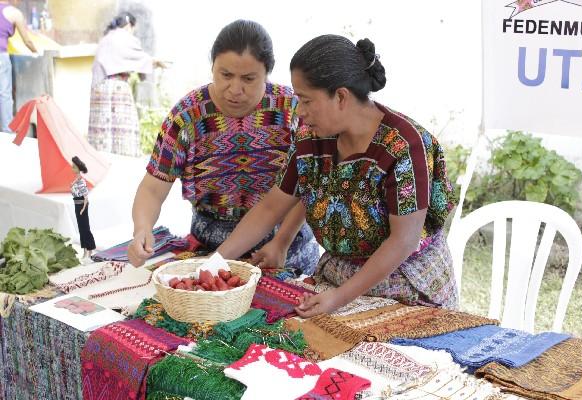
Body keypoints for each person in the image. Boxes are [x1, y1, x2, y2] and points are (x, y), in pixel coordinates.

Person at [217, 34, 458, 317]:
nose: (301, 112)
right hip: (337, 277)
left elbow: (403, 241)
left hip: (407, 285)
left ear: (341, 96)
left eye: (306, 101)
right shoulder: (312, 139)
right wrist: (214, 263)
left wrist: (340, 297)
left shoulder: (404, 146)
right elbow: (272, 206)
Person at [127, 20, 320, 278]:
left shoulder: (295, 112)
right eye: (225, 75)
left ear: (267, 73)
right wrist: (142, 228)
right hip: (209, 250)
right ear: (212, 67)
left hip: (283, 251)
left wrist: (283, 241)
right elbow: (153, 187)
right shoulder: (187, 117)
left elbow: (312, 184)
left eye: (249, 79)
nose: (235, 89)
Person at [88, 12, 164, 157]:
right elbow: (140, 59)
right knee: (122, 128)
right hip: (117, 86)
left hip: (99, 87)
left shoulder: (105, 39)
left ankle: (101, 157)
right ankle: (123, 157)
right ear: (129, 25)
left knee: (102, 127)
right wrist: (155, 62)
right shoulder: (125, 37)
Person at [0, 0, 37, 133]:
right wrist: (36, 52)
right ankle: (6, 132)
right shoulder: (14, 13)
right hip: (1, 57)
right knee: (4, 94)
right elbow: (27, 40)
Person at [71, 156, 96, 260]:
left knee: (85, 228)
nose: (72, 168)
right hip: (77, 204)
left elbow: (85, 197)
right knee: (81, 229)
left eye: (74, 167)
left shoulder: (81, 181)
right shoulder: (76, 180)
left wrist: (82, 209)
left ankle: (90, 249)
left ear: (78, 168)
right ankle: (85, 249)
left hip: (82, 205)